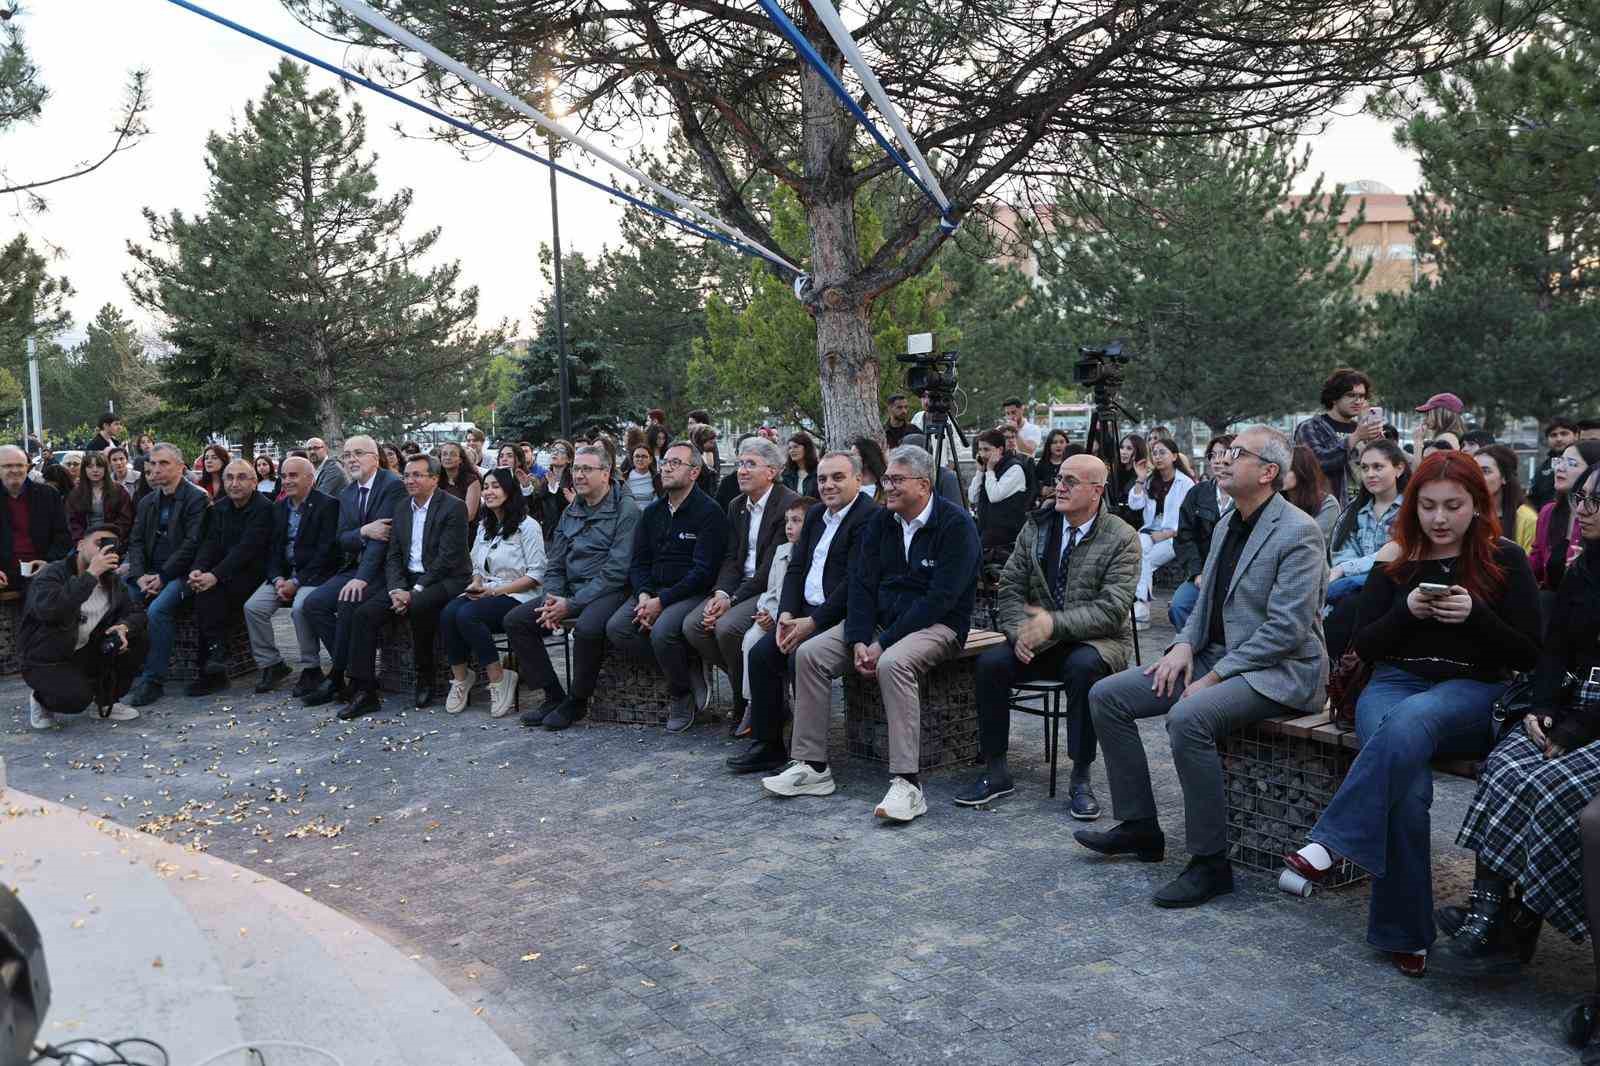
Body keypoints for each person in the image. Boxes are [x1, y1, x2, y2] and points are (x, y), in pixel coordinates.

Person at [1285, 451, 1540, 976]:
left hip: (1472, 690)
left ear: (1477, 504)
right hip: (1393, 682)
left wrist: (1476, 616)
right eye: (1428, 506)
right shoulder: (1395, 557)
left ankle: (1330, 841)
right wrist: (1406, 610)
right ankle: (1404, 934)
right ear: (1413, 506)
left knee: (1412, 718)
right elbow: (1363, 645)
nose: (1439, 518)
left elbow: (1530, 654)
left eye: (1453, 505)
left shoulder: (1505, 558)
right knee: (1407, 789)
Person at [1076, 426, 1328, 908]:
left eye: (1237, 453)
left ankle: (1211, 864)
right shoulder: (1229, 520)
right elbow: (1203, 603)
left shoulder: (1299, 531)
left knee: (1188, 718)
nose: (1223, 459)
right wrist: (1182, 647)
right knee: (1108, 696)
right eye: (1225, 452)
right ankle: (1141, 827)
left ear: (1268, 472)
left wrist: (1213, 676)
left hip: (1280, 670)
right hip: (1217, 656)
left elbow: (1287, 630)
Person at [1430, 460, 1600, 979]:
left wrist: (1576, 727)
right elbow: (1554, 649)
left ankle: (1520, 919)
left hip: (1593, 721)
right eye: (1581, 498)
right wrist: (1543, 707)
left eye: (1597, 501)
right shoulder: (1584, 568)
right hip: (1570, 702)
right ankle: (1488, 910)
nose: (1584, 509)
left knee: (1550, 785)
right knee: (1506, 765)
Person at [760, 444, 979, 823]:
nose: (887, 486)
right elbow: (861, 585)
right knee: (810, 654)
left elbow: (940, 599)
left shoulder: (956, 525)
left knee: (892, 663)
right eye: (887, 479)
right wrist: (859, 639)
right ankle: (813, 766)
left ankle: (908, 784)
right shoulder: (882, 522)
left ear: (923, 485)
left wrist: (882, 644)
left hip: (938, 624)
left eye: (896, 480)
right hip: (879, 625)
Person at [956, 453, 1139, 816]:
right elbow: (1010, 587)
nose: (1060, 487)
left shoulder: (1122, 537)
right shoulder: (1038, 527)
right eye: (1059, 478)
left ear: (1096, 491)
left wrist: (1053, 625)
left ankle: (1081, 777)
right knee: (991, 663)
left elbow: (1111, 610)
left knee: (1083, 668)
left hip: (1095, 641)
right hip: (1039, 640)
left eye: (1071, 481)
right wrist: (1017, 633)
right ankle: (996, 770)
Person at [727, 452, 879, 773]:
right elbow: (796, 568)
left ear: (857, 479)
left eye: (837, 477)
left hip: (842, 614)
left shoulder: (869, 517)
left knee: (799, 656)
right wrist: (785, 614)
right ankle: (767, 745)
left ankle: (807, 753)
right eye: (822, 479)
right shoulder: (816, 514)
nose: (828, 485)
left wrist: (812, 622)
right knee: (761, 653)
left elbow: (856, 581)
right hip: (804, 610)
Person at [509, 445, 641, 730]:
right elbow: (555, 561)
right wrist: (552, 598)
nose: (578, 475)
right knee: (517, 621)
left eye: (586, 469)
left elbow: (617, 571)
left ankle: (577, 701)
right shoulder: (573, 509)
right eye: (576, 469)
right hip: (569, 590)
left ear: (605, 473)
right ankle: (553, 696)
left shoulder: (626, 509)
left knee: (588, 628)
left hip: (610, 590)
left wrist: (571, 605)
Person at [603, 441, 729, 732]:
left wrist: (661, 602)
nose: (667, 468)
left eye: (676, 463)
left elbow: (703, 572)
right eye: (665, 462)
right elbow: (639, 562)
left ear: (694, 472)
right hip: (652, 591)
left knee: (662, 632)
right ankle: (685, 665)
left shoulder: (709, 512)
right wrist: (644, 595)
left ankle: (680, 694)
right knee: (618, 628)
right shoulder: (653, 512)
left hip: (690, 592)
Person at [338, 453, 471, 720]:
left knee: (419, 606)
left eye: (417, 475)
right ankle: (365, 690)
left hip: (446, 580)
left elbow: (447, 560)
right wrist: (396, 590)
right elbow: (394, 555)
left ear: (434, 479)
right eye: (407, 475)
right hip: (406, 580)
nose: (410, 480)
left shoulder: (453, 507)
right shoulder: (401, 507)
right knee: (364, 614)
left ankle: (425, 677)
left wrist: (414, 592)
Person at [683, 438, 799, 734]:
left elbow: (769, 569)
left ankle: (747, 702)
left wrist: (731, 601)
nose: (741, 471)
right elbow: (731, 558)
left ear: (771, 471)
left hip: (770, 588)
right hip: (739, 587)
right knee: (694, 625)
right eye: (740, 464)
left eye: (750, 464)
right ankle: (752, 689)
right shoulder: (737, 505)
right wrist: (721, 593)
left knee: (727, 627)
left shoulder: (787, 504)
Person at [300, 435, 407, 708]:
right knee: (313, 604)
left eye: (358, 453)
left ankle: (340, 677)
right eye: (347, 455)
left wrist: (361, 579)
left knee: (350, 600)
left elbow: (383, 539)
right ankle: (347, 669)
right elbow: (342, 538)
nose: (351, 460)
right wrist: (363, 531)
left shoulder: (392, 485)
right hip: (355, 566)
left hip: (385, 569)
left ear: (375, 457)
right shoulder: (348, 493)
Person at [440, 467, 544, 717]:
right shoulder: (485, 526)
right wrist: (477, 583)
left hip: (520, 595)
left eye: (495, 486)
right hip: (488, 590)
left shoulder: (528, 526)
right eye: (485, 487)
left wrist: (494, 592)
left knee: (468, 615)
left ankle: (498, 678)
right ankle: (461, 678)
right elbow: (477, 567)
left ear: (510, 491)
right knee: (449, 612)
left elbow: (535, 576)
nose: (488, 492)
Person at [22, 524, 147, 730]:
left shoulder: (112, 581)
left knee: (137, 638)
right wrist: (91, 574)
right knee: (76, 699)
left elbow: (137, 612)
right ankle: (41, 699)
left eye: (111, 546)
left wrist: (124, 627)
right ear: (80, 545)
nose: (104, 550)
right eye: (99, 543)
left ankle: (106, 700)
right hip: (47, 658)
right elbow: (51, 611)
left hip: (84, 651)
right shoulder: (52, 573)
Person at [243, 455, 340, 697]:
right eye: (284, 476)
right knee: (253, 607)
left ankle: (311, 667)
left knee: (300, 607)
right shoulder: (279, 507)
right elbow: (272, 549)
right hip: (284, 576)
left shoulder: (328, 505)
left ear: (310, 478)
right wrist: (277, 579)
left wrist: (296, 583)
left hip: (316, 575)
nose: (286, 481)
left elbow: (327, 553)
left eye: (293, 476)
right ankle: (271, 664)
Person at [123, 444, 212, 707]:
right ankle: (124, 667)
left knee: (158, 610)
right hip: (150, 573)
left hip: (184, 574)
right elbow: (136, 541)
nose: (156, 469)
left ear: (180, 467)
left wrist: (162, 577)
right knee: (119, 597)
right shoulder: (148, 501)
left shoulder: (196, 498)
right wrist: (139, 575)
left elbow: (191, 545)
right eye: (153, 463)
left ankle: (153, 681)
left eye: (164, 463)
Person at [182, 459, 274, 696]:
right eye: (229, 478)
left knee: (211, 594)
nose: (235, 483)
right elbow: (209, 543)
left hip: (255, 572)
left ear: (254, 482)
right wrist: (199, 569)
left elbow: (247, 549)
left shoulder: (264, 508)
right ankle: (215, 659)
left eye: (242, 477)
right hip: (224, 571)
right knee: (200, 590)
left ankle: (214, 664)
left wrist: (214, 575)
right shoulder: (219, 508)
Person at [732, 495, 813, 735]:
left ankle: (798, 712)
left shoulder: (813, 553)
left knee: (792, 652)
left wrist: (778, 619)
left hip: (796, 620)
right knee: (751, 639)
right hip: (775, 615)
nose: (789, 526)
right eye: (787, 521)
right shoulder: (781, 551)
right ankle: (753, 704)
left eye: (796, 521)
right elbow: (772, 590)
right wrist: (764, 612)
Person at [1326, 439, 1408, 608]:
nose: (1370, 474)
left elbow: (1401, 555)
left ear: (1399, 469)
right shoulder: (1352, 511)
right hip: (1351, 596)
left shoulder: (1412, 510)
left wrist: (1347, 569)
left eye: (1378, 467)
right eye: (1364, 468)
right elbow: (1341, 554)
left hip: (1396, 596)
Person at [1125, 435, 1194, 627]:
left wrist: (1168, 533)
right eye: (1154, 453)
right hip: (1150, 533)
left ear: (1174, 456)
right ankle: (1141, 609)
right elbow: (1135, 504)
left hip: (1175, 537)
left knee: (1143, 558)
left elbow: (1190, 518)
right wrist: (1140, 479)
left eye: (1162, 452)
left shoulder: (1185, 483)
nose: (1157, 457)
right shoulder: (1150, 480)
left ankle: (1141, 607)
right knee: (1138, 550)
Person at [1169, 435, 1233, 631]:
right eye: (1213, 455)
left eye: (1223, 454)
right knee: (1179, 606)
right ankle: (1191, 646)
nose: (1217, 460)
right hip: (1203, 570)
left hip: (1235, 575)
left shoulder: (1246, 494)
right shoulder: (1198, 493)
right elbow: (1184, 537)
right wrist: (1197, 572)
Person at [1294, 367, 1380, 503]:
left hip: (1362, 506)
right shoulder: (1310, 427)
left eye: (1362, 396)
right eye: (1351, 395)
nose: (1358, 401)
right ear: (1334, 398)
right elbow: (1317, 464)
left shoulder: (1362, 429)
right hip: (1326, 507)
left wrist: (1376, 442)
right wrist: (1355, 437)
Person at [1531, 441, 1600, 598]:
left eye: (1571, 463)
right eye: (1559, 461)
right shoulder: (1548, 512)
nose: (1560, 468)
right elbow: (1534, 566)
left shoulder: (1594, 517)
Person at [969, 427, 1029, 555]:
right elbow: (973, 497)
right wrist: (980, 472)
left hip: (1005, 537)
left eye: (986, 449)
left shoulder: (1014, 468)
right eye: (980, 449)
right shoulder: (986, 468)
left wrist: (990, 470)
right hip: (985, 531)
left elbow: (994, 496)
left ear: (1000, 450)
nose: (982, 454)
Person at [1477, 444, 1538, 553]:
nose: (1478, 477)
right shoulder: (1466, 515)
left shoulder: (1527, 519)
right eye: (1474, 471)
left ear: (1504, 477)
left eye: (1485, 471)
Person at [65, 451, 133, 543]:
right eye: (90, 467)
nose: (95, 470)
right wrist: (82, 540)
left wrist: (110, 537)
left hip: (113, 538)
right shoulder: (76, 494)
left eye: (99, 466)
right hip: (85, 540)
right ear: (84, 469)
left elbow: (125, 520)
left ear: (105, 468)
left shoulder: (119, 491)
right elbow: (72, 522)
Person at [1283, 443, 1340, 542]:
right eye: (1280, 469)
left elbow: (1314, 541)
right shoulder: (1278, 501)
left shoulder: (1328, 504)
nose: (1281, 475)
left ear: (1301, 471)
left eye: (1287, 470)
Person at [1529, 418, 1578, 511]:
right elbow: (1533, 499)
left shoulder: (1585, 463)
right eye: (1553, 435)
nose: (1559, 439)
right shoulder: (1542, 469)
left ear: (1576, 435)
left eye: (1564, 433)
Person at [532, 442, 574, 541]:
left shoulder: (573, 481)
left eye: (561, 451)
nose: (555, 453)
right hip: (545, 536)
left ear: (569, 459)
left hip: (565, 536)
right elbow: (536, 508)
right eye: (554, 450)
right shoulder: (544, 480)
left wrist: (554, 489)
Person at [435, 440, 482, 526]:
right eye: (444, 454)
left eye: (452, 454)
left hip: (464, 528)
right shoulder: (436, 480)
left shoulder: (472, 481)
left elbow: (469, 515)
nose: (448, 457)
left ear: (460, 459)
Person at [1410, 393, 1469, 458]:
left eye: (1428, 414)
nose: (1425, 419)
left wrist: (1418, 441)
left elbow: (1418, 465)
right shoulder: (1450, 436)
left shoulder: (1446, 438)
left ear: (1440, 414)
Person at [1113, 434, 1148, 529]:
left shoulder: (1143, 474)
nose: (1123, 452)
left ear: (1138, 451)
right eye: (1121, 448)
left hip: (1135, 524)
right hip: (1115, 520)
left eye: (1129, 448)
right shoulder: (1113, 472)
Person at [1035, 429, 1072, 506]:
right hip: (1046, 501)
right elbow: (1034, 484)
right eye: (1054, 442)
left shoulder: (1071, 463)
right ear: (1049, 445)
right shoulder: (1042, 464)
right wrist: (1042, 489)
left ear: (1067, 444)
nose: (1058, 445)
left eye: (1061, 442)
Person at [782, 433, 819, 499]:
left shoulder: (818, 471)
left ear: (807, 448)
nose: (792, 451)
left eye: (796, 447)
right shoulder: (787, 473)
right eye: (790, 448)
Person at [852, 436, 888, 504]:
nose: (850, 459)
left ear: (866, 459)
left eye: (854, 456)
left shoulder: (886, 488)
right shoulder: (848, 487)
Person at [690, 424, 722, 496]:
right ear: (701, 441)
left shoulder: (708, 453)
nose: (713, 445)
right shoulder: (692, 456)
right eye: (710, 442)